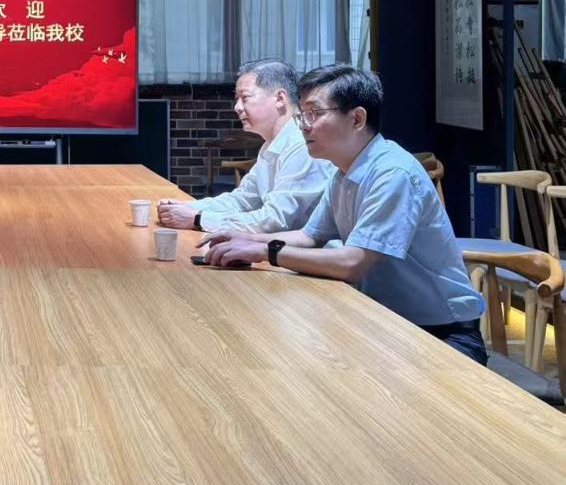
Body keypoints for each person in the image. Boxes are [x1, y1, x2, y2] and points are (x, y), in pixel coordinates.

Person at [201, 65, 488, 363]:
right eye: (303, 115)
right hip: (385, 323)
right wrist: (244, 238)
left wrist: (265, 251)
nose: (304, 126)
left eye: (314, 113)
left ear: (357, 119)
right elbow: (309, 236)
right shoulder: (343, 171)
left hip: (441, 334)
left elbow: (353, 263)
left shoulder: (392, 173)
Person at [158, 60, 331, 233]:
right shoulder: (270, 145)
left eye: (245, 97)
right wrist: (186, 208)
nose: (237, 107)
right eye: (237, 99)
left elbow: (276, 221)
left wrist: (198, 218)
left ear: (279, 98)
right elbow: (242, 200)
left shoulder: (303, 145)